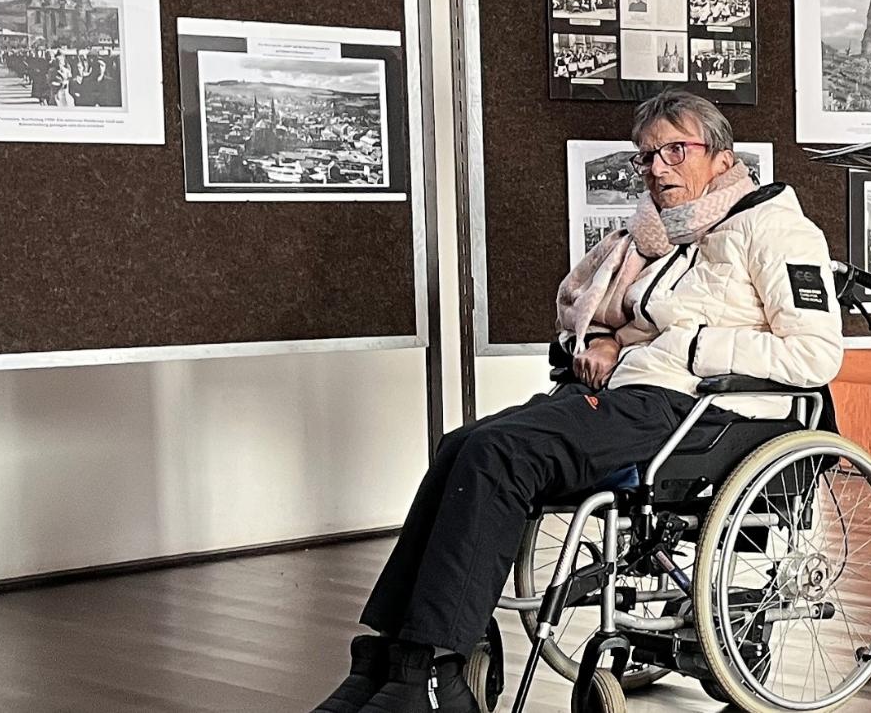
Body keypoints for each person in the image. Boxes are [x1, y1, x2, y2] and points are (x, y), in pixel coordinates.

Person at [305, 90, 844, 713]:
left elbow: (814, 355)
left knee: (501, 455)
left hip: (705, 414)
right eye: (647, 156)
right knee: (462, 445)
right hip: (639, 396)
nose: (657, 168)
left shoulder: (777, 229)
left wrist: (690, 345)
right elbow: (654, 321)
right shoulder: (684, 233)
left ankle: (434, 669)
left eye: (675, 150)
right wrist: (613, 340)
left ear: (723, 158)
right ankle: (389, 660)